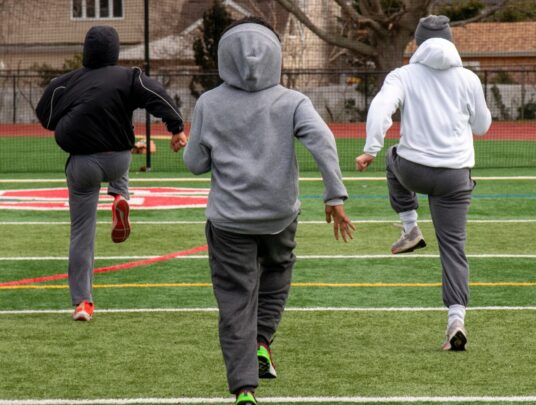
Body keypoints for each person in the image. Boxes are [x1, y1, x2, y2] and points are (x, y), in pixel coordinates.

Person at [183, 17, 355, 405]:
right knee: (277, 271)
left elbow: (195, 164)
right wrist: (334, 195)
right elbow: (324, 142)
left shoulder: (209, 103)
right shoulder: (292, 101)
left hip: (229, 220)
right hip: (279, 215)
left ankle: (244, 388)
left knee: (234, 299)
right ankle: (263, 340)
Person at [355, 15, 491, 351]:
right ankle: (456, 319)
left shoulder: (403, 75)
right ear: (451, 41)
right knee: (454, 250)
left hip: (413, 169)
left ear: (417, 43)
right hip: (456, 177)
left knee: (390, 156)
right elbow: (482, 126)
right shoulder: (468, 78)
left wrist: (370, 149)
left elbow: (380, 107)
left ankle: (410, 228)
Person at [35, 26, 187, 321]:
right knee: (122, 138)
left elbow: (46, 117)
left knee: (81, 233)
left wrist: (69, 121)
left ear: (86, 51)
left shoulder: (65, 83)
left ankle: (82, 302)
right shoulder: (130, 77)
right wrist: (177, 128)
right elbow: (159, 96)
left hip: (82, 166)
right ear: (115, 51)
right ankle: (120, 195)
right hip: (118, 160)